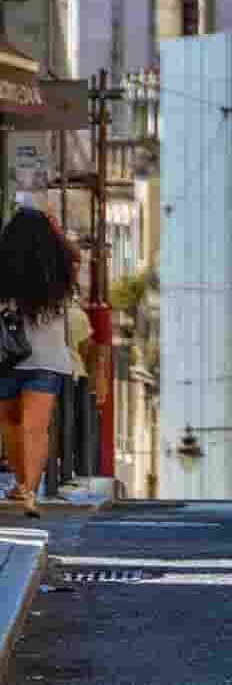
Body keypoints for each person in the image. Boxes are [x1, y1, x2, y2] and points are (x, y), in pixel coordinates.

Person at [0, 207, 82, 517]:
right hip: (48, 359)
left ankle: (22, 483)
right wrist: (57, 232)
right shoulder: (61, 270)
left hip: (7, 359)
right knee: (36, 428)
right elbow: (77, 256)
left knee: (10, 425)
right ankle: (30, 493)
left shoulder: (5, 266)